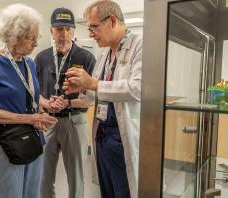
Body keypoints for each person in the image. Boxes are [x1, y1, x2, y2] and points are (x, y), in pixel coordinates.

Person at [63, 1, 142, 198]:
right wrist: (82, 88)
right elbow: (96, 94)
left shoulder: (140, 45)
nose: (90, 34)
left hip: (123, 138)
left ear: (112, 21)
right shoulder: (105, 53)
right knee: (107, 191)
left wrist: (93, 84)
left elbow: (137, 89)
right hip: (103, 136)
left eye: (94, 27)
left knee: (123, 191)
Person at [0, 4, 58, 198]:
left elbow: (28, 97)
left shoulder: (29, 63)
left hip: (33, 139)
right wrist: (29, 118)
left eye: (36, 38)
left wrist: (42, 111)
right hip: (5, 144)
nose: (35, 44)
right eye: (30, 38)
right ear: (13, 36)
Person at [35, 7, 96, 198]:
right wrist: (45, 103)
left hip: (74, 121)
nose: (64, 34)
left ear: (74, 31)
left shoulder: (86, 58)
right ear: (51, 31)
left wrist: (68, 104)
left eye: (69, 29)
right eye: (59, 29)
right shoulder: (41, 58)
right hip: (47, 121)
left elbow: (92, 99)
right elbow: (33, 93)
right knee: (44, 176)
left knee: (76, 176)